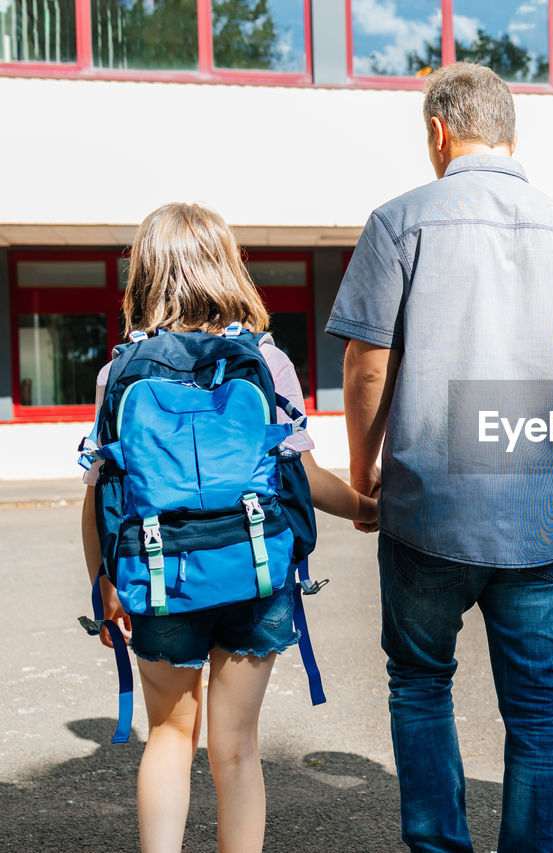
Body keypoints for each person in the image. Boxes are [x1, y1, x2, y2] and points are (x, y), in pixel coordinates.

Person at [326, 63, 553, 851]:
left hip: (429, 504)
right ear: (511, 133)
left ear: (437, 132)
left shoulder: (399, 221)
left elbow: (366, 365)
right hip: (541, 511)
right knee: (537, 709)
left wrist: (364, 471)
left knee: (422, 684)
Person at [81, 202, 377, 853]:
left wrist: (103, 583)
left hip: (159, 579)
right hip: (254, 575)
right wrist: (363, 505)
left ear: (146, 275)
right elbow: (304, 475)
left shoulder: (118, 373)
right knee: (237, 749)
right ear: (227, 268)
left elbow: (101, 491)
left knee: (169, 737)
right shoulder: (264, 363)